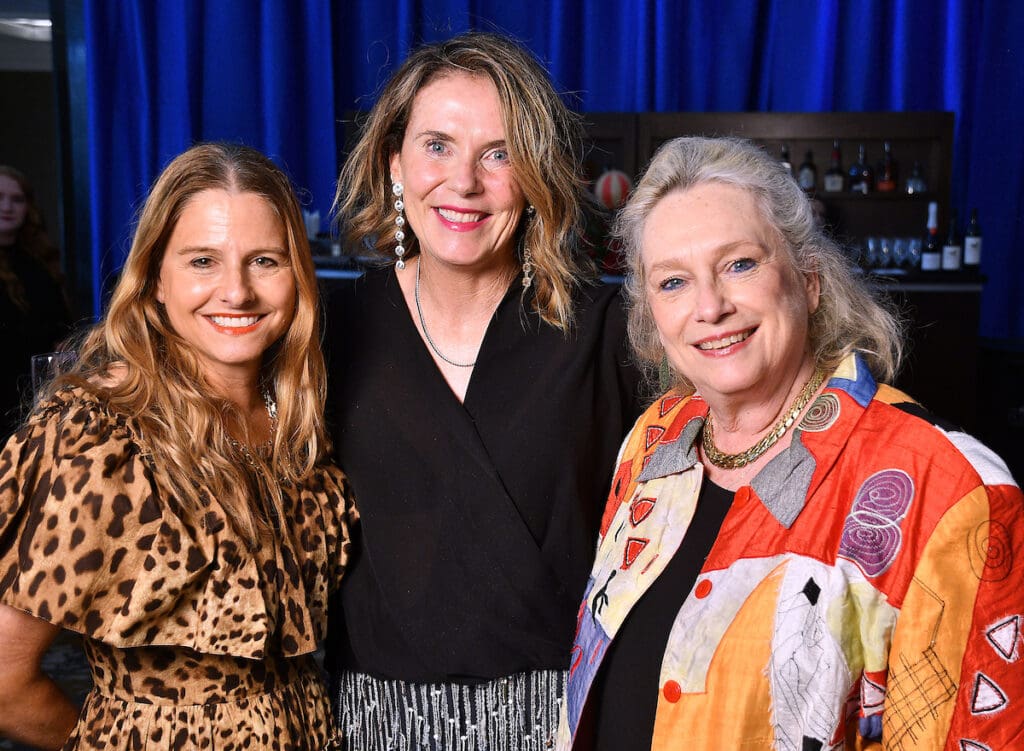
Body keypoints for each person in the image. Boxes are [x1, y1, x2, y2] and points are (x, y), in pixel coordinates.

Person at [557, 136, 1024, 750]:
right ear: (651, 321)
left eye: (740, 265)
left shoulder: (949, 487)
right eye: (673, 282)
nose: (710, 306)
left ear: (809, 282)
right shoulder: (653, 441)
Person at [325, 31, 644, 751]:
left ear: (535, 177)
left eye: (498, 154)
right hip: (374, 725)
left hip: (562, 723)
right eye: (437, 145)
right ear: (393, 163)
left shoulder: (609, 332)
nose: (464, 182)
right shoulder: (328, 330)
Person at [0, 143, 357, 750]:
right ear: (156, 279)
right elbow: (5, 682)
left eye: (264, 260)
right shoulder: (100, 439)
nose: (236, 292)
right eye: (202, 262)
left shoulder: (302, 424)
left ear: (298, 274)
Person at [0, 165, 72, 440]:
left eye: (17, 199)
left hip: (38, 397)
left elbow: (61, 328)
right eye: (0, 197)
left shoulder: (40, 261)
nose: (7, 207)